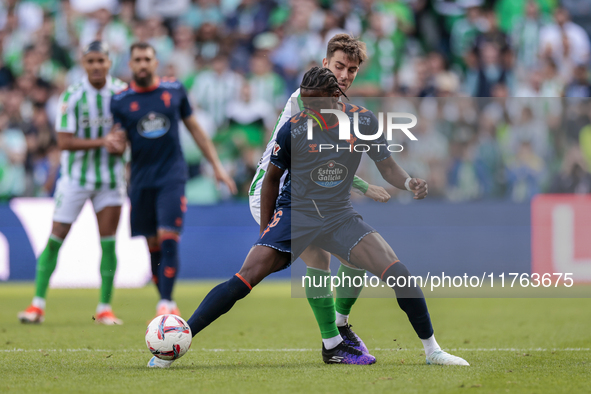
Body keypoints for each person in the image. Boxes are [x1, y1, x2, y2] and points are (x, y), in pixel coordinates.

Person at [147, 67, 469, 368]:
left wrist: (408, 181)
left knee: (398, 272)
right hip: (295, 214)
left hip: (339, 215)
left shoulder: (363, 122)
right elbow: (272, 179)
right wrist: (266, 231)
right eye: (305, 101)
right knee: (243, 280)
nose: (308, 110)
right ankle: (172, 347)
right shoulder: (294, 128)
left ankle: (432, 351)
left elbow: (387, 167)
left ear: (335, 98)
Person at [247, 34, 391, 362]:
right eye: (338, 66)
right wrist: (365, 187)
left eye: (351, 70)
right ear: (325, 64)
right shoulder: (308, 99)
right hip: (273, 191)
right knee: (320, 259)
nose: (344, 75)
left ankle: (340, 326)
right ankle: (333, 344)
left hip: (306, 195)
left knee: (356, 259)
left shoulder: (336, 105)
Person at [108, 42, 236, 317]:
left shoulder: (174, 91)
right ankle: (165, 299)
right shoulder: (119, 101)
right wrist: (114, 146)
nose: (142, 64)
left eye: (147, 59)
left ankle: (165, 302)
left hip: (171, 176)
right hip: (141, 180)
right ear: (130, 65)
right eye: (138, 59)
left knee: (169, 237)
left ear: (156, 63)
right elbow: (117, 140)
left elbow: (196, 130)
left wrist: (216, 166)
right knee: (152, 244)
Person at [18, 41, 128, 325]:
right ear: (83, 63)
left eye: (100, 61)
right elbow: (64, 141)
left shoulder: (121, 93)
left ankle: (105, 307)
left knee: (108, 242)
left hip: (110, 178)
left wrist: (122, 144)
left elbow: (129, 131)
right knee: (56, 238)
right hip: (75, 179)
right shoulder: (72, 95)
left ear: (109, 62)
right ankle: (37, 304)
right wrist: (103, 142)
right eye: (90, 61)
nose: (95, 66)